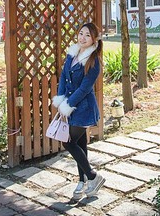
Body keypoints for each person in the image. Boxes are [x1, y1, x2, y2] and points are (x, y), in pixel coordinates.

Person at [51, 22, 105, 200]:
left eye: (87, 35)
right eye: (81, 33)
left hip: (84, 109)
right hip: (70, 106)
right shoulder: (72, 53)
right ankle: (82, 181)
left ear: (94, 39)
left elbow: (84, 89)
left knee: (68, 142)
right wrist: (60, 100)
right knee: (80, 145)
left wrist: (68, 105)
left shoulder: (94, 61)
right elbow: (63, 78)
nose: (82, 38)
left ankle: (93, 176)